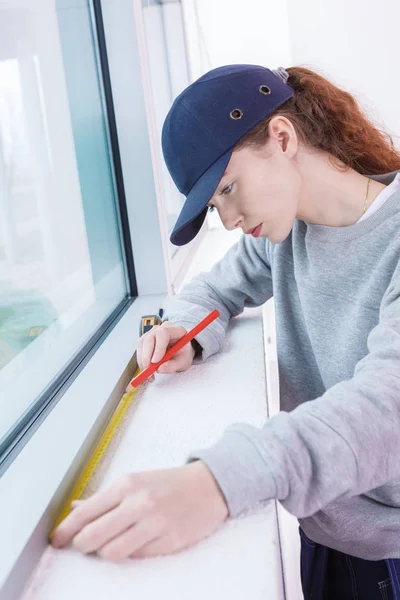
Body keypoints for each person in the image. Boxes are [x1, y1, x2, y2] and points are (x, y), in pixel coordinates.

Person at [52, 64, 400, 599]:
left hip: (390, 550)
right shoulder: (283, 233)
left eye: (229, 190)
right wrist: (185, 333)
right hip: (325, 530)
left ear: (282, 137)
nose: (232, 219)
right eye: (216, 208)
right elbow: (212, 291)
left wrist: (215, 482)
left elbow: (386, 411)